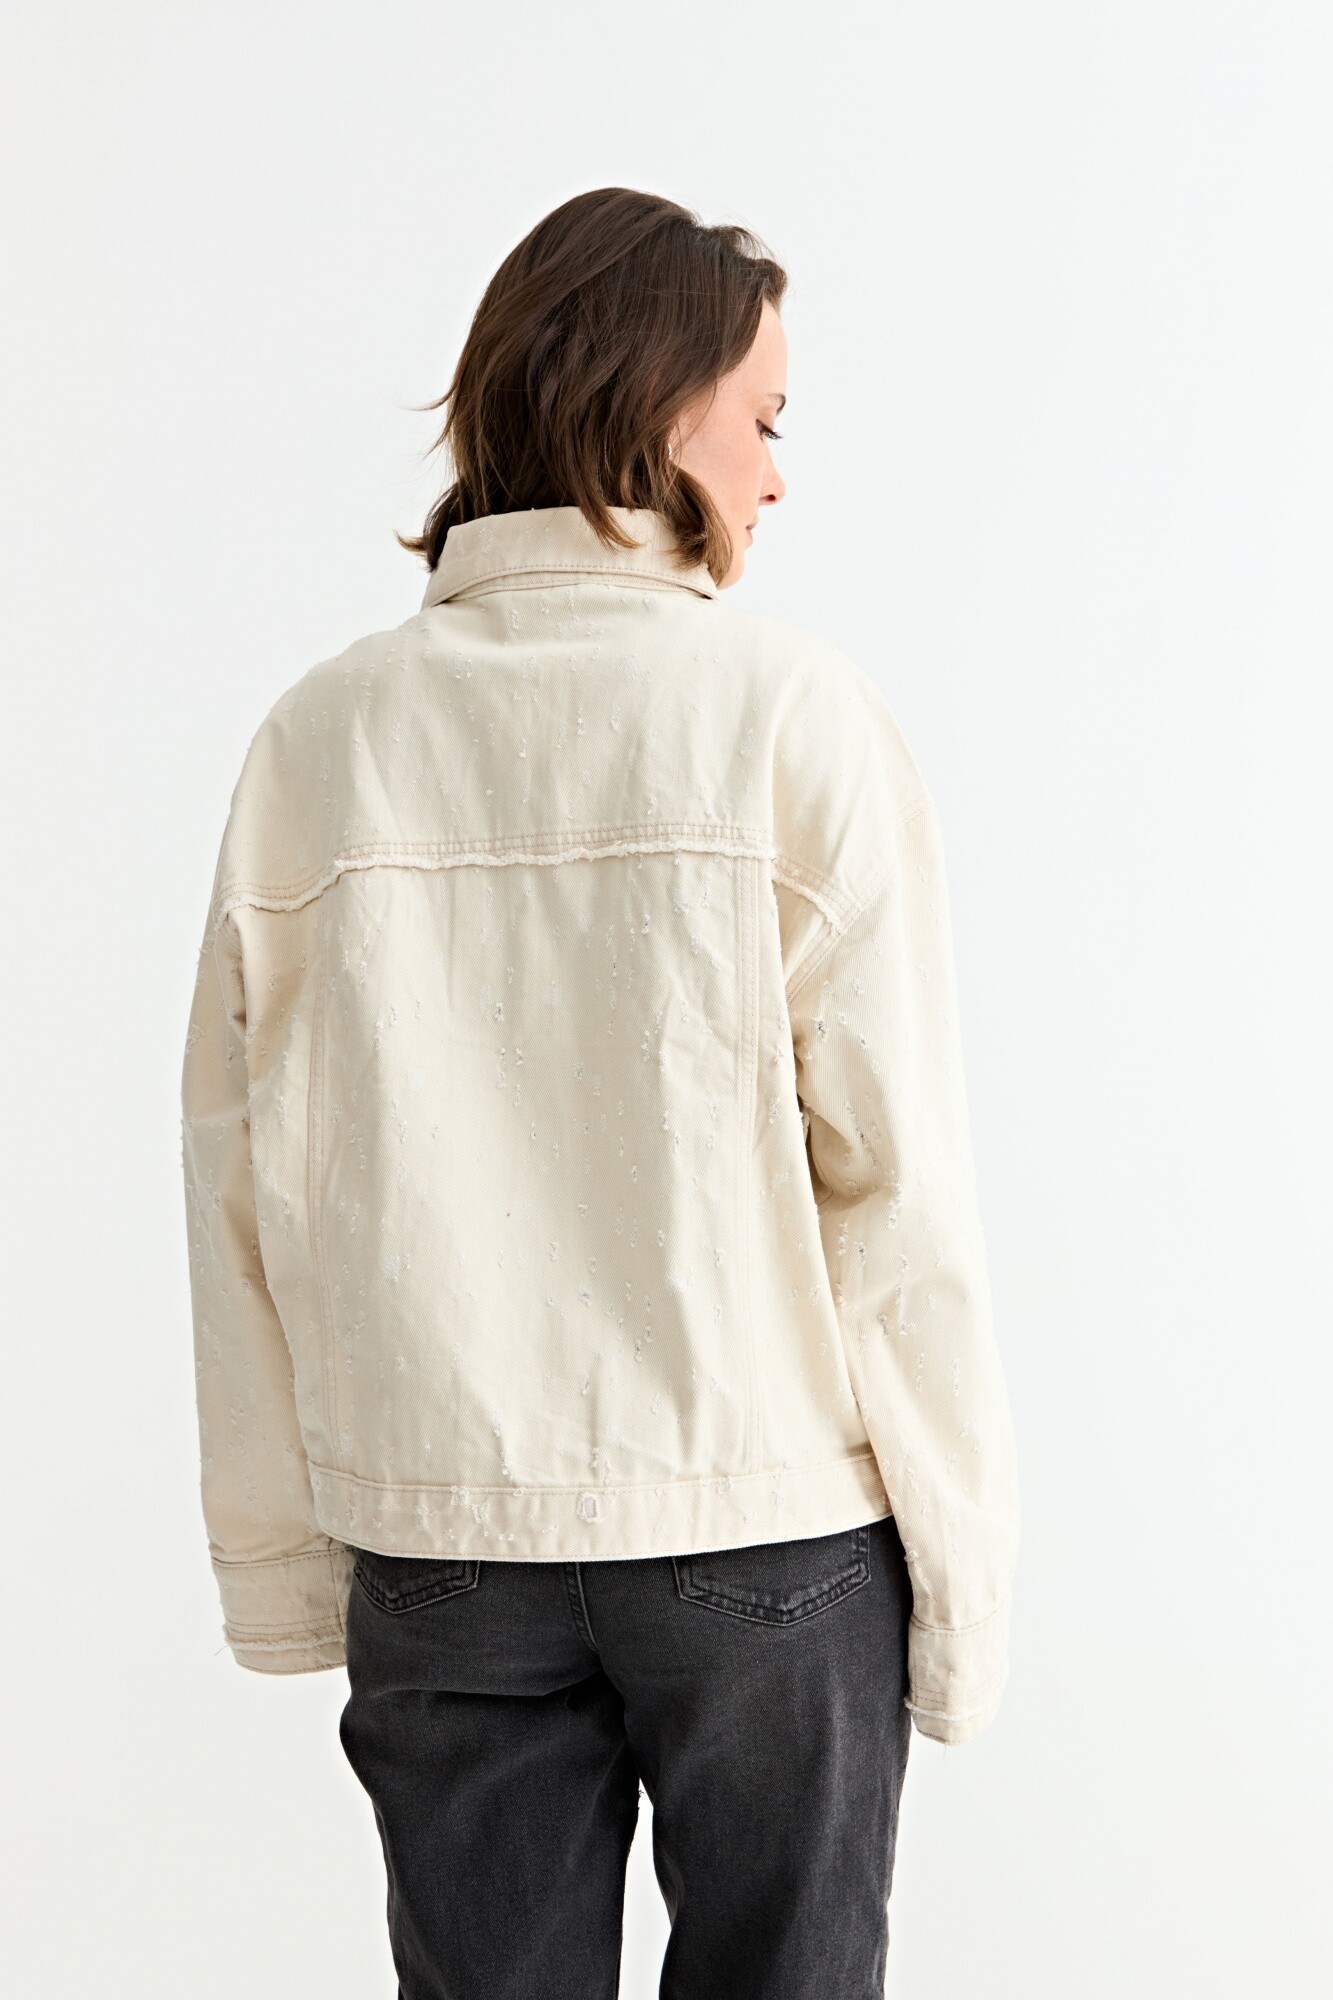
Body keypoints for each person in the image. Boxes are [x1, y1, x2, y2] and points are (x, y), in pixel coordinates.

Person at [179, 185, 1021, 2000]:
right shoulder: (788, 715)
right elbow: (898, 1196)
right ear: (654, 405)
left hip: (442, 1536)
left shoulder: (322, 739)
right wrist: (961, 1590)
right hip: (765, 1527)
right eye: (764, 418)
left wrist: (284, 1564)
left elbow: (237, 1189)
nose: (778, 478)